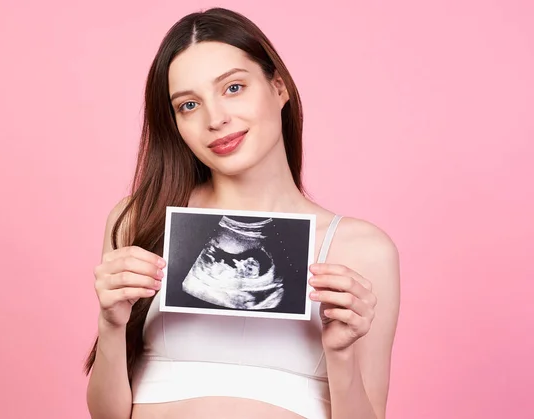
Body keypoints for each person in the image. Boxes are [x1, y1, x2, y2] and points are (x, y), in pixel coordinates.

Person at [84, 7, 400, 419]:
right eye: (189, 105)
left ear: (279, 87)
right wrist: (111, 325)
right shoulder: (140, 221)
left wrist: (340, 356)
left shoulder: (361, 250)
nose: (216, 119)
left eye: (233, 88)